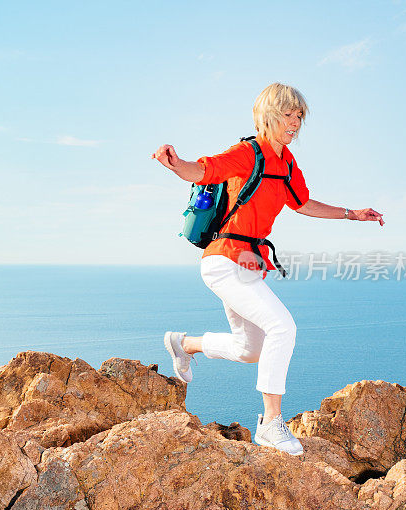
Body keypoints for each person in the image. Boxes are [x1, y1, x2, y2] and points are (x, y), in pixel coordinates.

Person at [151, 83, 384, 455]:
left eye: (299, 117)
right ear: (268, 116)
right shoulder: (248, 152)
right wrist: (176, 164)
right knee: (283, 326)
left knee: (250, 349)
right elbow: (204, 171)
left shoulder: (288, 164)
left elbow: (303, 204)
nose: (295, 123)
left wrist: (352, 214)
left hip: (249, 266)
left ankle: (183, 344)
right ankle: (270, 423)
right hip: (223, 260)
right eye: (288, 115)